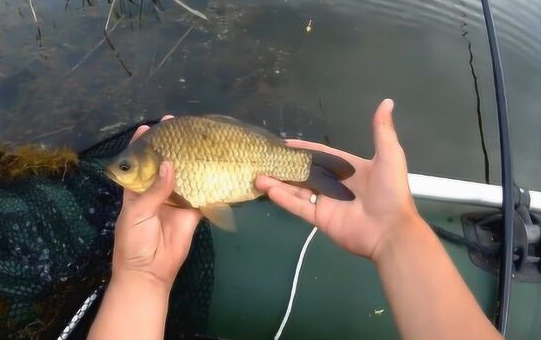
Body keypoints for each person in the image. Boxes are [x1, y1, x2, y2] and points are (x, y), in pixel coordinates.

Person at [87, 99, 504, 340]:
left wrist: (142, 277)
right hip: (240, 173)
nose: (121, 171)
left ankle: (306, 167)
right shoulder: (162, 153)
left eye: (125, 168)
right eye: (126, 167)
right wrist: (393, 232)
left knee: (294, 165)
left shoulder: (164, 162)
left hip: (247, 167)